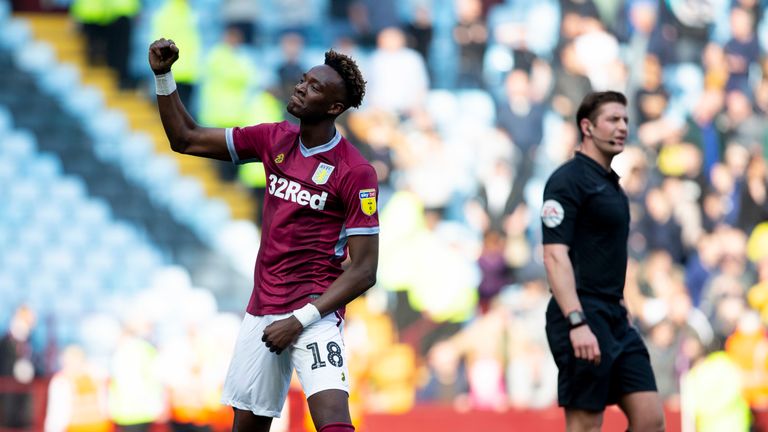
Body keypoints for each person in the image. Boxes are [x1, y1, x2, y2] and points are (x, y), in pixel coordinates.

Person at [148, 37, 379, 432]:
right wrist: (164, 76)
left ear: (335, 108)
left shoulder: (355, 172)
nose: (301, 87)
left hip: (315, 312)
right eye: (304, 80)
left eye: (314, 86)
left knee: (334, 423)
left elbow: (365, 271)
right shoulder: (274, 138)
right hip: (262, 311)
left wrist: (300, 319)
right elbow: (184, 138)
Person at [540, 91, 665, 432]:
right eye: (612, 119)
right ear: (587, 127)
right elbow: (554, 254)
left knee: (651, 420)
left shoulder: (612, 187)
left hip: (615, 317)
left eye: (625, 119)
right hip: (582, 313)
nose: (622, 126)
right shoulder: (567, 180)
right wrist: (577, 321)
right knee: (585, 427)